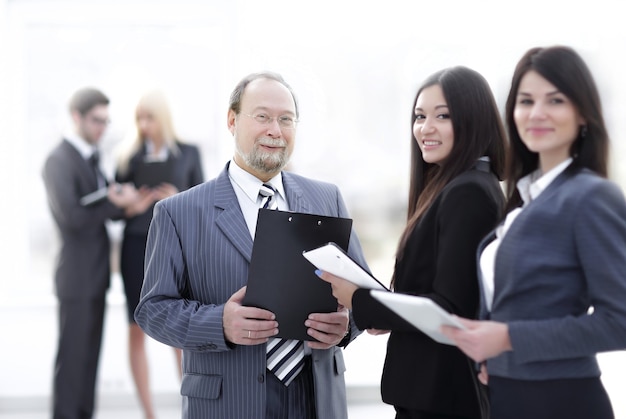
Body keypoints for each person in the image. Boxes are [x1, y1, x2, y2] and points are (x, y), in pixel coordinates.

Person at [134, 71, 368, 419]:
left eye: (286, 119)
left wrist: (348, 322)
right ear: (232, 120)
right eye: (262, 116)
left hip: (315, 400)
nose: (275, 130)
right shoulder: (177, 212)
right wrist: (220, 324)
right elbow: (153, 310)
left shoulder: (327, 198)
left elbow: (361, 290)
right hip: (230, 402)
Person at [440, 46, 626, 419]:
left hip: (562, 399)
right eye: (526, 101)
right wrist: (496, 352)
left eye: (555, 100)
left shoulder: (590, 196)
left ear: (583, 114)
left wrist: (508, 338)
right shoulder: (525, 200)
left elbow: (619, 323)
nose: (536, 113)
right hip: (509, 394)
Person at [318, 66, 507, 419]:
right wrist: (386, 310)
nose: (425, 128)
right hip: (432, 394)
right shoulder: (455, 187)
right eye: (419, 116)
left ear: (474, 119)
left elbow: (449, 310)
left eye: (443, 116)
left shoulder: (469, 192)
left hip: (444, 397)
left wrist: (360, 300)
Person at [42, 87, 143, 419]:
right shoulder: (58, 161)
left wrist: (128, 205)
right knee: (72, 363)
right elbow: (71, 218)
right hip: (75, 277)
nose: (102, 127)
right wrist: (113, 203)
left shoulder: (94, 157)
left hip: (97, 276)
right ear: (77, 117)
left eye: (106, 121)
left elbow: (103, 207)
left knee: (88, 362)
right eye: (96, 120)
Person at [114, 89, 204, 419]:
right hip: (136, 246)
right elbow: (114, 208)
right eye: (139, 117)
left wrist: (178, 196)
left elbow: (204, 203)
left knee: (178, 326)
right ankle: (149, 414)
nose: (144, 124)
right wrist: (132, 205)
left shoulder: (189, 154)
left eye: (149, 116)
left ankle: (191, 408)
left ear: (162, 117)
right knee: (135, 326)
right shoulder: (128, 157)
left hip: (174, 246)